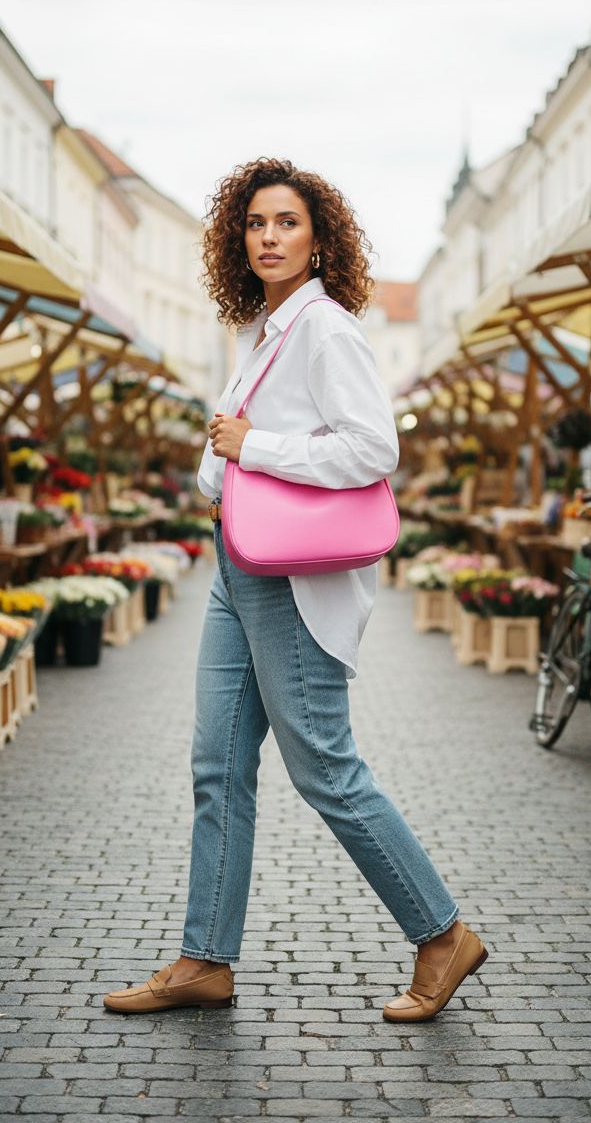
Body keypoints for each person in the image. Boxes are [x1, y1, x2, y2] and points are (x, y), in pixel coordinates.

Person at [103, 157, 487, 1022]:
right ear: (237, 240)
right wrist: (224, 460)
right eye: (255, 223)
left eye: (287, 223)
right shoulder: (261, 332)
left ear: (319, 243)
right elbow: (233, 448)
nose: (269, 237)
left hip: (290, 577)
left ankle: (442, 934)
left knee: (324, 766)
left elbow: (373, 448)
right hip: (234, 566)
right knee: (218, 765)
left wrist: (255, 447)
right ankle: (205, 958)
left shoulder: (325, 329)